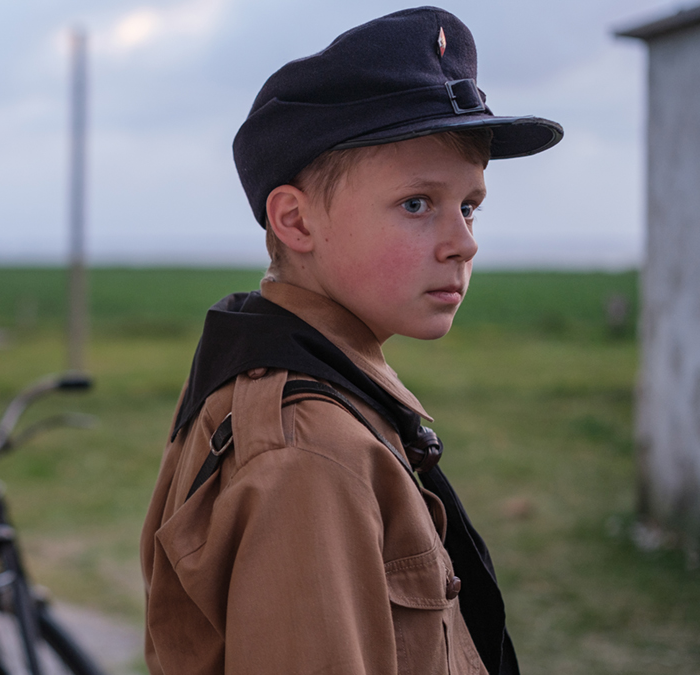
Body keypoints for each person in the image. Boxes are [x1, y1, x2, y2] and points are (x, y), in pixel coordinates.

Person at [139, 7, 562, 675]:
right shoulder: (308, 451)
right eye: (417, 203)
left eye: (469, 206)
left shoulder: (295, 380)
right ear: (296, 220)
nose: (464, 243)